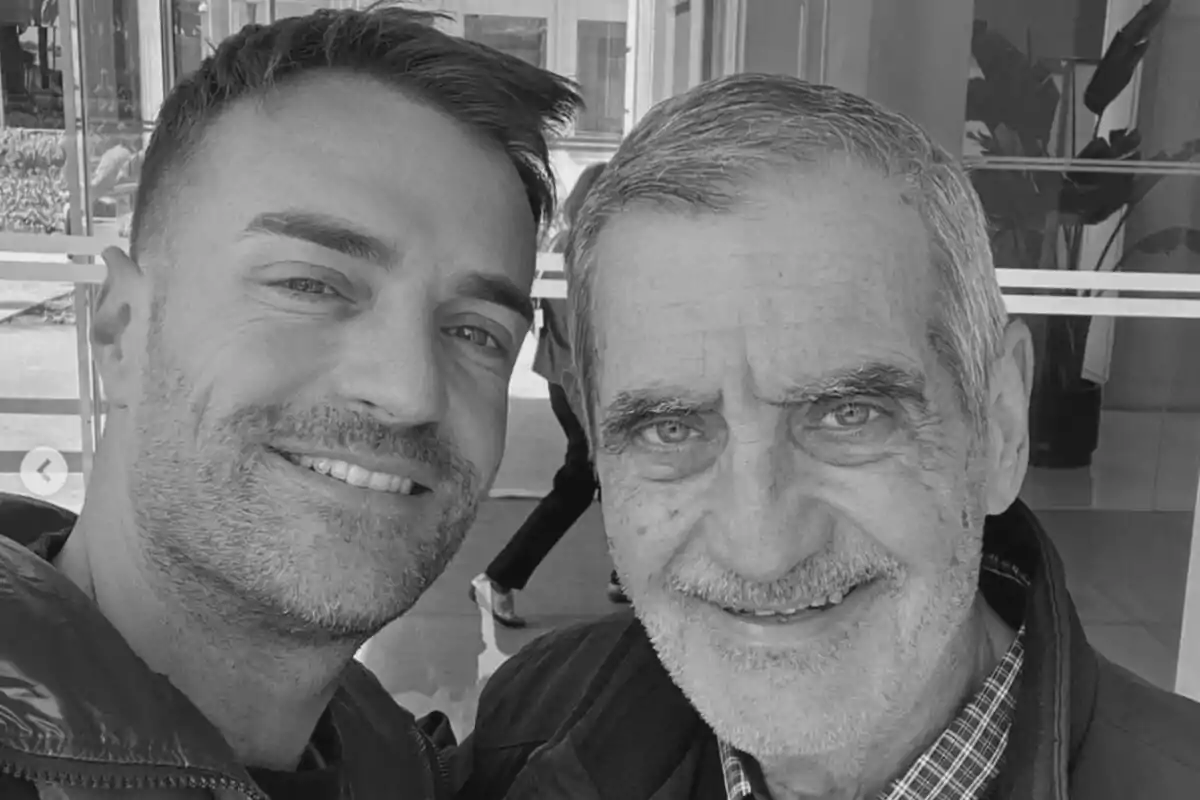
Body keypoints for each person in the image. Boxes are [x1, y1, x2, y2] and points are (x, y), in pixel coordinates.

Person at [456, 74, 1200, 799]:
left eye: (849, 414)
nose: (763, 548)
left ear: (1000, 425)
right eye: (670, 427)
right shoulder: (530, 730)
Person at [0, 6, 579, 800]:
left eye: (476, 332)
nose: (409, 391)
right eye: (310, 284)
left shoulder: (394, 759)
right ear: (120, 330)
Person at [470, 161, 627, 628]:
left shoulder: (563, 247)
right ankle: (499, 579)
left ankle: (625, 574)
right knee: (586, 480)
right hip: (582, 387)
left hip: (563, 382)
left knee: (613, 477)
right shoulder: (591, 254)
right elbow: (587, 337)